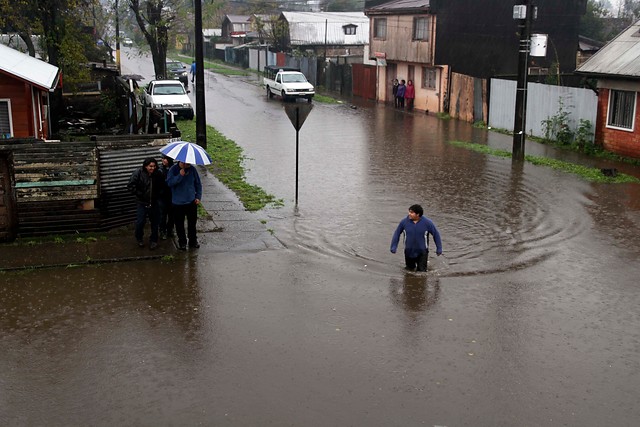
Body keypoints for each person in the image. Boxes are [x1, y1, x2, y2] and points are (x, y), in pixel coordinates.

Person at [126, 157, 165, 249]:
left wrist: (159, 194)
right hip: (142, 202)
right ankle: (139, 238)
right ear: (145, 166)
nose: (152, 168)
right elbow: (131, 186)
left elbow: (163, 186)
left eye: (154, 166)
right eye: (150, 166)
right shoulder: (138, 173)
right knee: (140, 222)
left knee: (155, 223)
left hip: (154, 202)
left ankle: (154, 240)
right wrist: (140, 194)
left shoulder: (158, 174)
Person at [390, 204, 442, 272]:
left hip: (422, 252)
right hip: (409, 251)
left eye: (411, 212)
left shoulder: (427, 223)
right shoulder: (404, 222)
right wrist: (393, 246)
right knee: (409, 271)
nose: (409, 214)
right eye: (409, 212)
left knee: (422, 272)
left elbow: (436, 235)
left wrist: (439, 248)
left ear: (418, 214)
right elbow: (397, 233)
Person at [166, 161, 202, 250]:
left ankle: (193, 241)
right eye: (187, 163)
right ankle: (182, 242)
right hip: (178, 203)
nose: (188, 165)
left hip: (191, 202)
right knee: (179, 224)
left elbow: (198, 184)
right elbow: (169, 183)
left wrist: (198, 196)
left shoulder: (192, 169)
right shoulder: (173, 169)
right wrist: (180, 176)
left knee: (192, 224)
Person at [158, 155, 175, 240]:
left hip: (172, 195)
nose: (163, 160)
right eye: (163, 158)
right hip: (162, 196)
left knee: (171, 215)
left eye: (165, 159)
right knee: (162, 215)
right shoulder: (160, 170)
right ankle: (162, 230)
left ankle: (170, 229)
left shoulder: (174, 169)